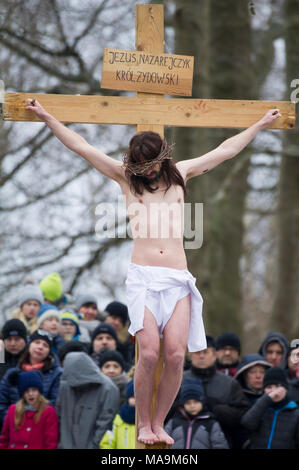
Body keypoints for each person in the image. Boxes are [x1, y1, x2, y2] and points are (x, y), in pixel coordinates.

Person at [25, 98, 281, 444]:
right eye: (141, 166)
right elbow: (81, 146)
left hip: (176, 280)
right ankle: (143, 424)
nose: (146, 171)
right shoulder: (126, 179)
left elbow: (225, 150)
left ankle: (159, 423)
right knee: (148, 353)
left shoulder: (182, 175)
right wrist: (46, 116)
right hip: (143, 277)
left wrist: (260, 124)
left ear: (163, 158)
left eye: (152, 165)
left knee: (176, 355)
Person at [183, 335, 249, 448]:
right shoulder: (178, 381)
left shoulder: (229, 383)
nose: (201, 356)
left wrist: (216, 409)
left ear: (214, 356)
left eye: (205, 352)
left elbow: (242, 415)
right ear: (190, 355)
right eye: (197, 352)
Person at [55, 351, 120, 449]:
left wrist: (94, 445)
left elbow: (105, 423)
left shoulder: (109, 389)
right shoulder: (65, 384)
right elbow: (58, 416)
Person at [0, 329, 62, 429]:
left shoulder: (56, 374)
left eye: (45, 345)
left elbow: (54, 404)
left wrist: (31, 423)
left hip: (39, 430)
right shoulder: (13, 373)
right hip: (13, 428)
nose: (40, 347)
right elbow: (2, 402)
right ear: (29, 345)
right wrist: (13, 421)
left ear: (49, 351)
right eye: (37, 342)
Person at [241, 367, 299, 449]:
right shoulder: (260, 407)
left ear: (286, 389)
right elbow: (247, 423)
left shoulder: (295, 413)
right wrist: (266, 399)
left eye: (278, 386)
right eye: (269, 387)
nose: (274, 391)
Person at [0, 370, 59, 449]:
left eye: (34, 390)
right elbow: (4, 438)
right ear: (22, 393)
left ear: (39, 391)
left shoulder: (48, 411)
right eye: (26, 391)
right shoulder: (13, 410)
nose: (30, 394)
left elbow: (51, 442)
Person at [165, 377, 229, 449]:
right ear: (182, 404)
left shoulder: (211, 424)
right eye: (188, 403)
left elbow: (219, 445)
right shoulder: (173, 422)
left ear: (202, 402)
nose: (192, 406)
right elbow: (164, 443)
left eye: (196, 402)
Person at [100, 379, 136, 449]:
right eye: (133, 397)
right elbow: (108, 442)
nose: (136, 400)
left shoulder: (152, 419)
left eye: (141, 397)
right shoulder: (119, 419)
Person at [104, 301, 135, 368]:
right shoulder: (93, 335)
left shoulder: (129, 344)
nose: (117, 323)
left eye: (121, 321)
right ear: (105, 317)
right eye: (114, 318)